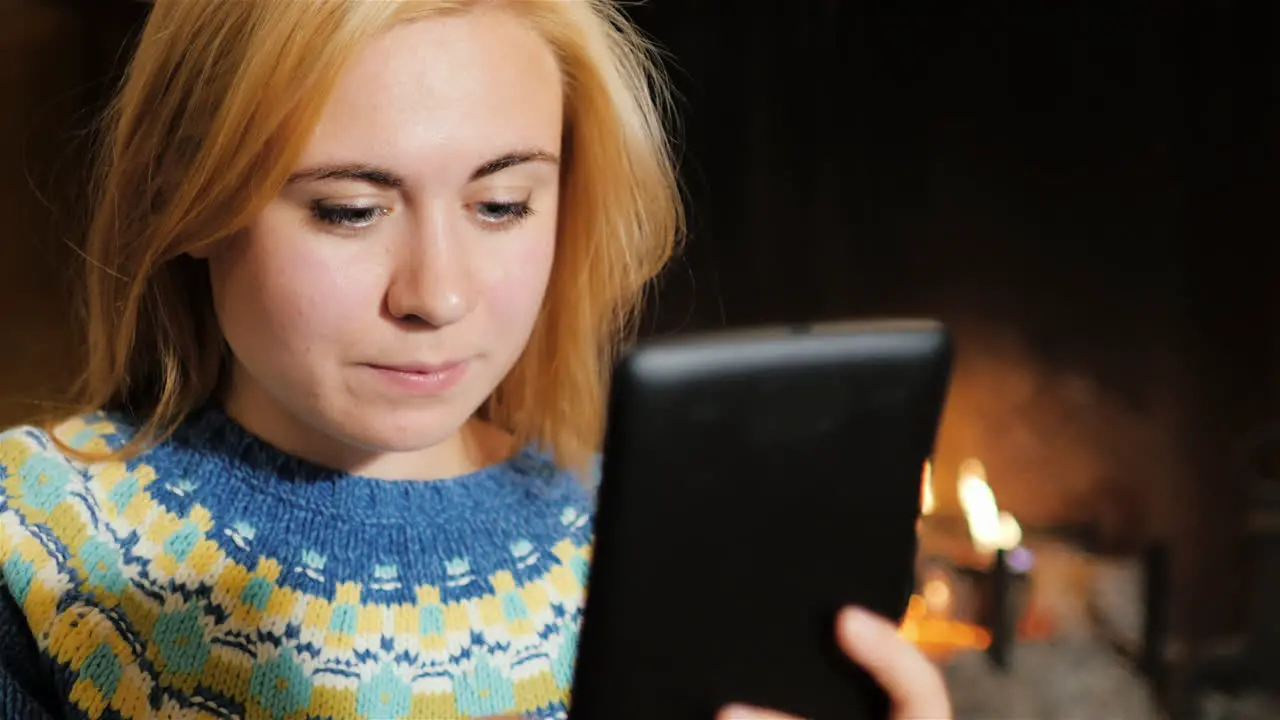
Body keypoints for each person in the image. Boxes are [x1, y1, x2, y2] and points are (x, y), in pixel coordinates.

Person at [0, 1, 952, 718]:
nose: (438, 295)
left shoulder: (658, 555)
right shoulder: (34, 548)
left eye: (500, 205)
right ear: (189, 193)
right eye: (349, 210)